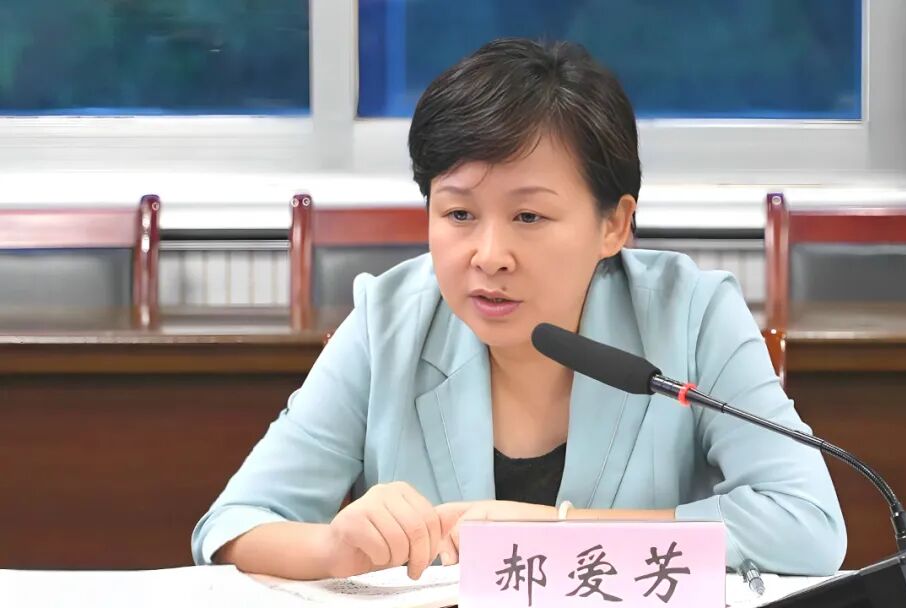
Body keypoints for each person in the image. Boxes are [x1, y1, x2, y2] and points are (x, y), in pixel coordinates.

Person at [191, 37, 846, 581]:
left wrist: (556, 533)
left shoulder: (692, 315)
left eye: (529, 216)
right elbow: (233, 526)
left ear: (614, 225)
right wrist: (335, 548)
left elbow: (807, 525)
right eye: (458, 214)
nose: (489, 255)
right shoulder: (387, 321)